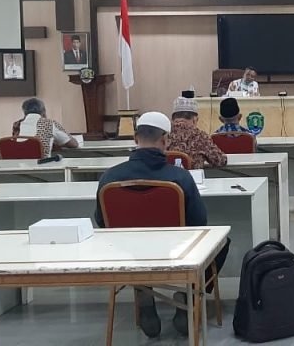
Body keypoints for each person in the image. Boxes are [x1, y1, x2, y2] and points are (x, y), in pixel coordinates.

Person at [93, 112, 227, 338]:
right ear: (165, 140)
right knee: (222, 243)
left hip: (128, 252)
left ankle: (143, 290)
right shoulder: (180, 177)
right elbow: (199, 221)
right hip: (177, 251)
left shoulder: (109, 178)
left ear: (135, 138)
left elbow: (101, 221)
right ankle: (188, 297)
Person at [167, 96, 227, 168]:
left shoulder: (164, 136)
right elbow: (220, 161)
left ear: (172, 119)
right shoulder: (201, 136)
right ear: (195, 120)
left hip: (166, 175)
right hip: (192, 175)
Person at [12, 98, 79, 157]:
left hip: (18, 165)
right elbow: (74, 144)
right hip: (42, 165)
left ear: (24, 112)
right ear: (43, 111)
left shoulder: (17, 125)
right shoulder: (49, 123)